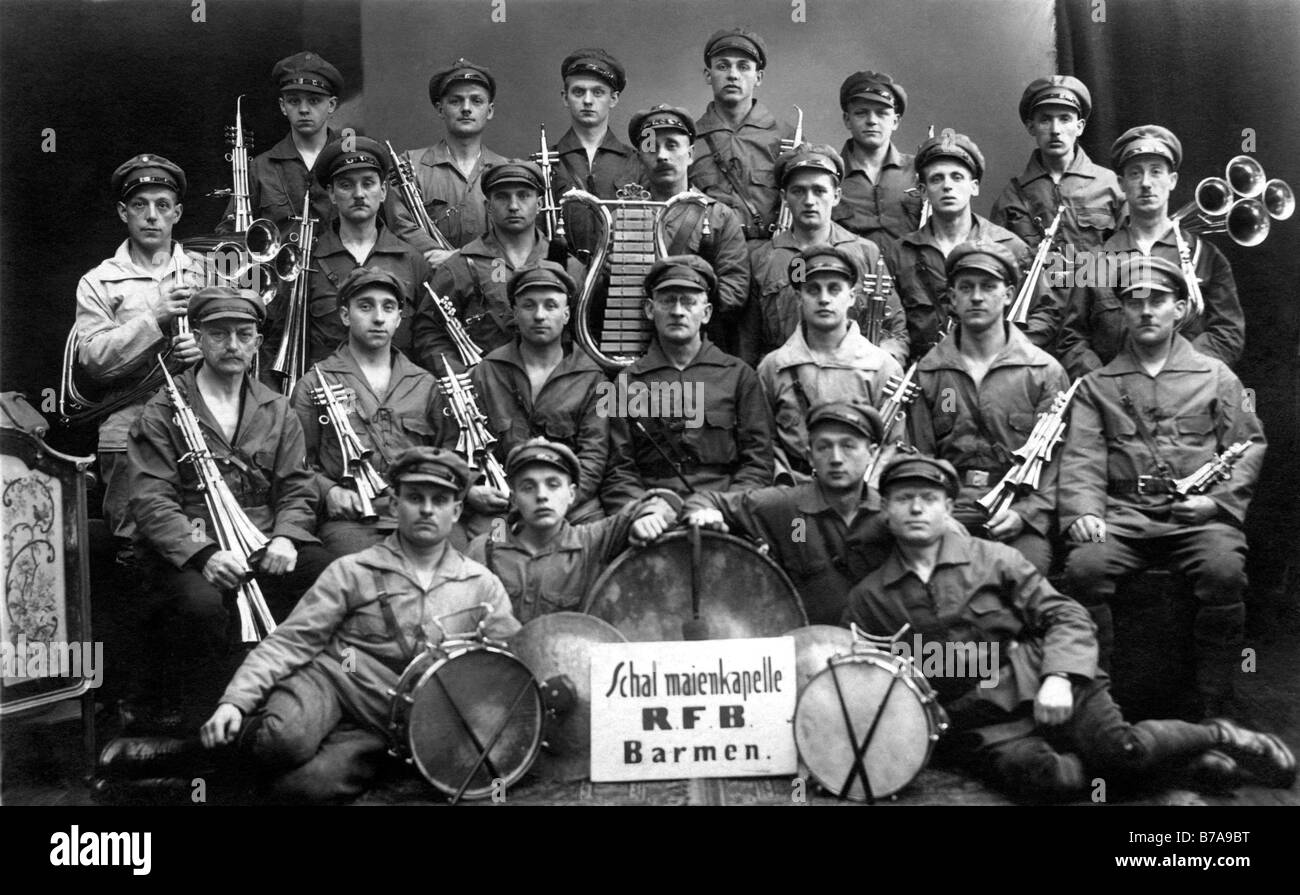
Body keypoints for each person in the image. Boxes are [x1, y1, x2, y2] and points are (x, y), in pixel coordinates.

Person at [845, 455, 1295, 802]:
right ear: (885, 510)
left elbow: (1066, 615)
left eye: (929, 498)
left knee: (1122, 750)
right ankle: (1180, 767)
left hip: (1047, 675)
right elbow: (876, 684)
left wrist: (1059, 677)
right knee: (1045, 782)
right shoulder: (869, 599)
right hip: (979, 716)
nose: (917, 508)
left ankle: (1218, 734)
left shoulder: (994, 559)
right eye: (904, 499)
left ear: (948, 507)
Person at [200, 447, 519, 804]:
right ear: (394, 506)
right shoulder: (353, 571)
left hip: (395, 714)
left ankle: (350, 753)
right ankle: (225, 749)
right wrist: (236, 702)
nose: (427, 509)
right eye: (415, 498)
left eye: (440, 500)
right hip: (334, 683)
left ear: (456, 510)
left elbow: (508, 662)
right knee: (284, 739)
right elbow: (290, 641)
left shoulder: (480, 583)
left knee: (307, 787)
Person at [1059, 256, 1265, 716]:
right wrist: (1084, 511)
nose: (1147, 310)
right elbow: (1082, 457)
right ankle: (1097, 704)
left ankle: (1216, 707)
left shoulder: (1215, 376)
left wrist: (1215, 506)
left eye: (1158, 300)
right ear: (1124, 312)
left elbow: (1248, 444)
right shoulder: (1097, 385)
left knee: (1224, 572)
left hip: (1196, 521)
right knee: (1084, 570)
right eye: (1136, 301)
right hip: (1123, 516)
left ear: (1180, 309)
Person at [127, 287, 335, 724]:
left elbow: (297, 488)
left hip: (261, 540)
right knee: (201, 606)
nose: (233, 345)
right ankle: (206, 723)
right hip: (193, 547)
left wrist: (287, 538)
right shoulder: (162, 410)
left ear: (258, 343)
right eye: (219, 334)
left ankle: (305, 707)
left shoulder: (278, 409)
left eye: (244, 334)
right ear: (198, 339)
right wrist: (202, 553)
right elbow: (152, 501)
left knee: (327, 576)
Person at [905, 242, 1069, 575]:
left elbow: (1059, 465)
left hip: (1018, 514)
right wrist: (940, 516)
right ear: (952, 298)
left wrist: (1026, 514)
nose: (977, 297)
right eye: (966, 288)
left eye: (988, 287)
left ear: (1009, 294)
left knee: (1024, 579)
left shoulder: (1043, 372)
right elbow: (919, 456)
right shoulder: (929, 371)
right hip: (948, 513)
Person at [75, 153, 204, 550]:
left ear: (177, 213)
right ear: (123, 212)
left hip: (201, 408)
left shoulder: (207, 270)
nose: (152, 216)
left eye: (162, 206)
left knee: (205, 528)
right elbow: (94, 360)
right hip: (129, 413)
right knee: (133, 542)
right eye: (139, 205)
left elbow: (245, 345)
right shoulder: (99, 281)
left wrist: (206, 349)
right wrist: (155, 318)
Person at [1056, 126, 1245, 380]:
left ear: (1173, 181)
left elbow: (1228, 331)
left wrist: (1185, 371)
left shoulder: (1205, 256)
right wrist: (1106, 384)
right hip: (1117, 403)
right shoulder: (1095, 260)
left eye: (1156, 172)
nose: (1146, 183)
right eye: (1135, 173)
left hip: (1189, 395)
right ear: (1121, 184)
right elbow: (1072, 338)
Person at [683, 402, 894, 626]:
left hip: (878, 647)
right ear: (810, 456)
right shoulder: (786, 507)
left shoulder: (890, 514)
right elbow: (706, 499)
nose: (836, 459)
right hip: (806, 648)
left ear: (871, 454)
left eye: (848, 446)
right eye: (824, 447)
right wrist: (702, 513)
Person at [291, 268, 454, 556]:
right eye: (365, 306)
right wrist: (329, 490)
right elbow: (296, 464)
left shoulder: (425, 384)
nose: (378, 317)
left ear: (398, 319)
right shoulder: (316, 382)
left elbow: (448, 454)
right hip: (352, 522)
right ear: (345, 315)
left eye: (388, 307)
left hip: (419, 514)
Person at [601, 255, 773, 513]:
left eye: (689, 302)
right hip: (653, 511)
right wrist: (644, 511)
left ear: (706, 313)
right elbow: (617, 471)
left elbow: (758, 463)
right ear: (650, 310)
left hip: (723, 510)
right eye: (668, 301)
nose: (678, 311)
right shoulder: (626, 384)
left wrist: (724, 508)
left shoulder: (739, 377)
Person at [887, 131, 1058, 361]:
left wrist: (1009, 353)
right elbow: (892, 326)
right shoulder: (900, 255)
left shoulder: (1009, 247)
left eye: (957, 177)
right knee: (949, 399)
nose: (948, 186)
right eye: (937, 179)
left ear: (974, 186)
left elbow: (1044, 313)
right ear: (924, 191)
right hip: (933, 381)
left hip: (996, 374)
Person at [467, 438, 676, 624]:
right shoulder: (487, 548)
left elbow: (662, 502)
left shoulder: (589, 540)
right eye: (528, 487)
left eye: (553, 485)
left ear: (571, 494)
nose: (542, 496)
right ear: (513, 498)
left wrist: (649, 516)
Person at [469, 263, 608, 530]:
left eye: (551, 306)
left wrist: (559, 502)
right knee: (485, 552)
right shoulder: (486, 373)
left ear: (567, 314)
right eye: (529, 305)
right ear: (515, 312)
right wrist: (471, 488)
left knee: (593, 550)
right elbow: (459, 444)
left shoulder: (593, 378)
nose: (539, 315)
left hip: (572, 508)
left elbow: (595, 457)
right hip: (501, 507)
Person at [412, 160, 584, 376]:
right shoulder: (461, 266)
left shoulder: (567, 265)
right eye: (502, 196)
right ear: (488, 206)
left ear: (539, 205)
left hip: (552, 391)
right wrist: (464, 377)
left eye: (523, 195)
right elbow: (429, 332)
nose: (513, 206)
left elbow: (585, 335)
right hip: (487, 393)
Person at [745, 145, 907, 367]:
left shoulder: (865, 252)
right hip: (785, 381)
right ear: (784, 197)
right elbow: (747, 341)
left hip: (852, 382)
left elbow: (895, 332)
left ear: (837, 196)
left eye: (819, 191)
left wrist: (877, 367)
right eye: (798, 191)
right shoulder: (763, 258)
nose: (809, 200)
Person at [757, 245, 903, 484]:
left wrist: (870, 489)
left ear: (852, 297)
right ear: (798, 298)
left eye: (834, 289)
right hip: (793, 491)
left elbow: (893, 446)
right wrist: (783, 483)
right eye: (813, 290)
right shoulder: (773, 367)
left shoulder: (881, 367)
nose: (824, 299)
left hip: (859, 496)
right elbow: (764, 442)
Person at [297, 136, 430, 365]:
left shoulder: (412, 261)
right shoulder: (306, 261)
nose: (359, 194)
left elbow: (428, 340)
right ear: (331, 194)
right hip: (328, 391)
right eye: (346, 185)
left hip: (397, 394)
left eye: (368, 183)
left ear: (384, 191)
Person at [630, 103, 749, 352]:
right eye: (651, 146)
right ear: (640, 157)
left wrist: (683, 309)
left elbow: (735, 288)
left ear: (691, 154)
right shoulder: (623, 217)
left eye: (672, 145)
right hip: (636, 344)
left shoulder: (719, 217)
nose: (662, 155)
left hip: (700, 348)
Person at [385, 58, 506, 266]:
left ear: (490, 110)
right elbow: (400, 225)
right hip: (432, 283)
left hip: (493, 285)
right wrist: (438, 255)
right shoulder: (409, 166)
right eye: (455, 101)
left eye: (476, 101)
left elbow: (516, 234)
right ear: (440, 109)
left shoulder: (507, 170)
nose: (466, 108)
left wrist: (459, 260)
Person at [990, 76, 1123, 256]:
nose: (1055, 130)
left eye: (1065, 119)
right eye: (1045, 120)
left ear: (1080, 126)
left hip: (1097, 282)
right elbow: (996, 264)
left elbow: (1131, 257)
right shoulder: (1012, 196)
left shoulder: (1110, 185)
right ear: (1031, 127)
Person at [216, 51, 342, 236]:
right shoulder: (260, 168)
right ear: (283, 106)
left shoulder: (350, 160)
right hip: (276, 265)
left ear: (331, 105)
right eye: (294, 101)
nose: (304, 109)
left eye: (314, 100)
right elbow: (228, 233)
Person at [689, 27, 795, 244]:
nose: (733, 75)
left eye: (743, 67)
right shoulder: (688, 139)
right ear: (708, 75)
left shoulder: (786, 138)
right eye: (722, 66)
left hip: (768, 255)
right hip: (708, 258)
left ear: (759, 77)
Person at [550, 48, 647, 260]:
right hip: (561, 281)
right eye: (578, 92)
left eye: (598, 92)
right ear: (565, 98)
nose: (587, 100)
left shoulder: (636, 163)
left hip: (621, 277)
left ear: (613, 98)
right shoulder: (547, 162)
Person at [833, 71, 923, 254]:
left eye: (881, 114)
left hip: (910, 281)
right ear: (847, 120)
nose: (872, 121)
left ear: (895, 121)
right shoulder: (829, 175)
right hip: (847, 280)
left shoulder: (921, 172)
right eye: (861, 113)